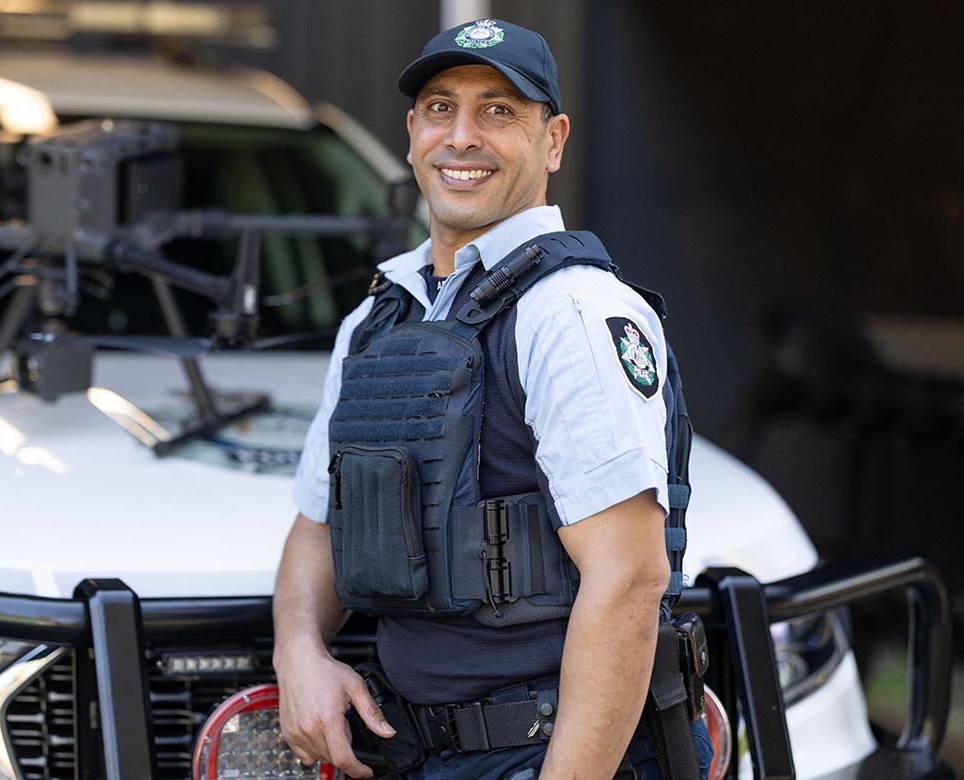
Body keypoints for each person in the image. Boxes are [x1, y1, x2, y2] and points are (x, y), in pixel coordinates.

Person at [272, 18, 710, 780]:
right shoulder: (380, 317)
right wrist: (299, 652)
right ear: (412, 133)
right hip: (414, 751)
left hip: (550, 754)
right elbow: (317, 528)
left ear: (554, 140)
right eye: (441, 108)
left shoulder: (569, 312)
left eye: (500, 110)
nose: (462, 136)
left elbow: (630, 579)